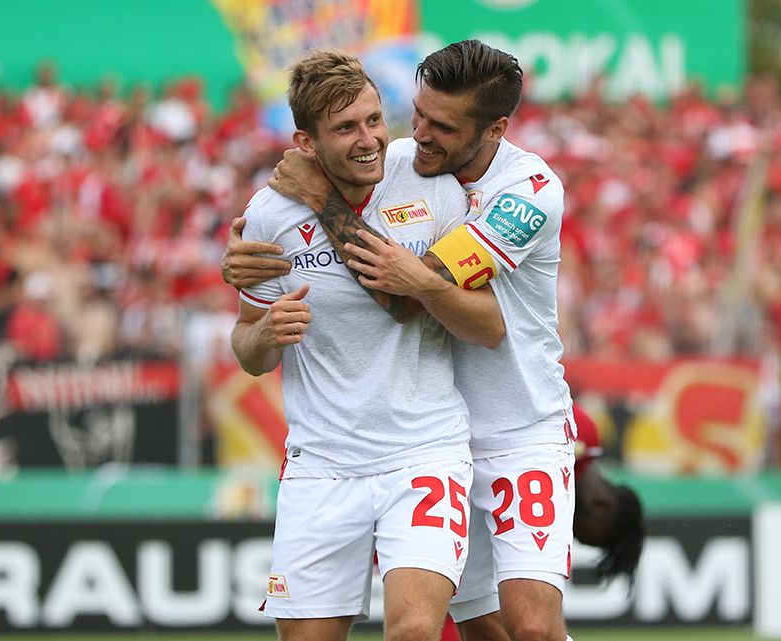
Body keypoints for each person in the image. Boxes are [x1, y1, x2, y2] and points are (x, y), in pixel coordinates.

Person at [224, 40, 580, 641]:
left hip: (514, 427)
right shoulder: (403, 163)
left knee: (531, 630)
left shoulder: (527, 192)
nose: (416, 136)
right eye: (415, 115)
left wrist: (321, 199)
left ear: (494, 129)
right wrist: (246, 274)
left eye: (442, 126)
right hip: (409, 436)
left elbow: (411, 296)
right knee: (484, 628)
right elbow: (251, 332)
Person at [439, 404, 645, 641]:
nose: (569, 533)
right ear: (601, 505)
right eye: (577, 532)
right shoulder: (581, 436)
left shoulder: (574, 451)